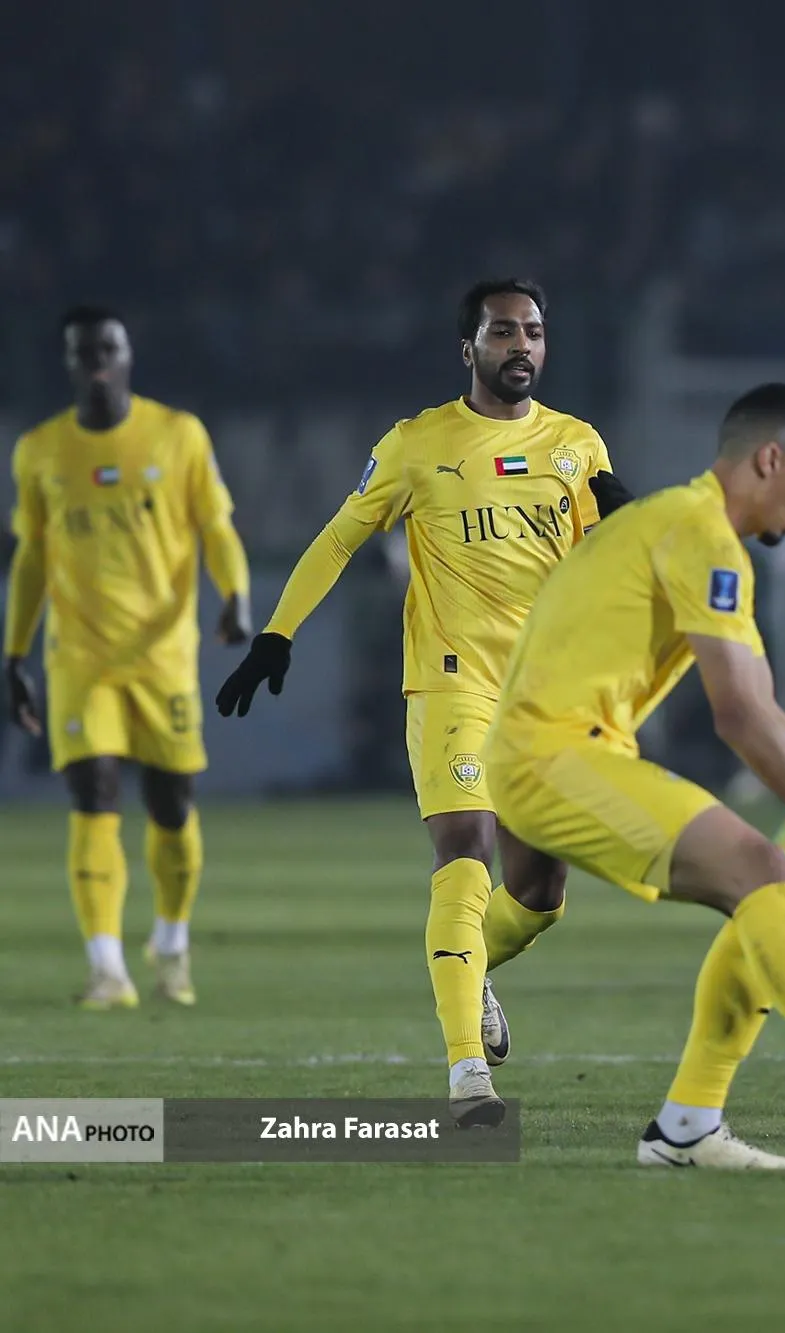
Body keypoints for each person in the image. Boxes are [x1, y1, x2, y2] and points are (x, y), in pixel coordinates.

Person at [483, 382, 785, 1170]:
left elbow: (764, 709)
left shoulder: (695, 530)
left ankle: (687, 1126)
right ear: (770, 459)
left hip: (557, 748)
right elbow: (744, 718)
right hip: (553, 752)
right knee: (759, 869)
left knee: (761, 884)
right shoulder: (700, 532)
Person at [213, 279, 633, 1127]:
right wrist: (277, 633)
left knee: (542, 892)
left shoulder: (577, 445)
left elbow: (606, 555)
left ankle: (468, 970)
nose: (522, 345)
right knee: (466, 848)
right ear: (468, 348)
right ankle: (468, 1075)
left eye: (534, 332)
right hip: (452, 682)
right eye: (503, 331)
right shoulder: (417, 444)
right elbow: (341, 536)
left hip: (544, 697)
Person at [6, 306, 252, 1009]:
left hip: (162, 654)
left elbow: (216, 527)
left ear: (127, 354)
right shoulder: (40, 450)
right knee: (93, 794)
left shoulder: (177, 435)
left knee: (172, 803)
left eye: (107, 347)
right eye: (83, 351)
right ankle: (106, 967)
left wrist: (235, 595)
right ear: (69, 361)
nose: (97, 361)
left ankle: (170, 943)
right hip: (79, 656)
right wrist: (13, 653)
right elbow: (31, 560)